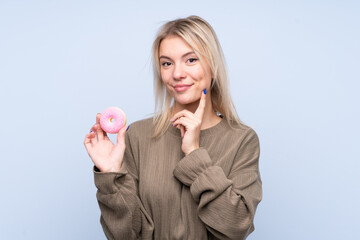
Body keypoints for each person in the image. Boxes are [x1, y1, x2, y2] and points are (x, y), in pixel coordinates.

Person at [84, 15, 262, 240]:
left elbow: (237, 226)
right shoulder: (137, 136)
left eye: (191, 60)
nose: (177, 74)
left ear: (213, 67)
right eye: (167, 63)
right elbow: (125, 235)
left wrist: (195, 155)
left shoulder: (242, 140)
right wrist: (111, 175)